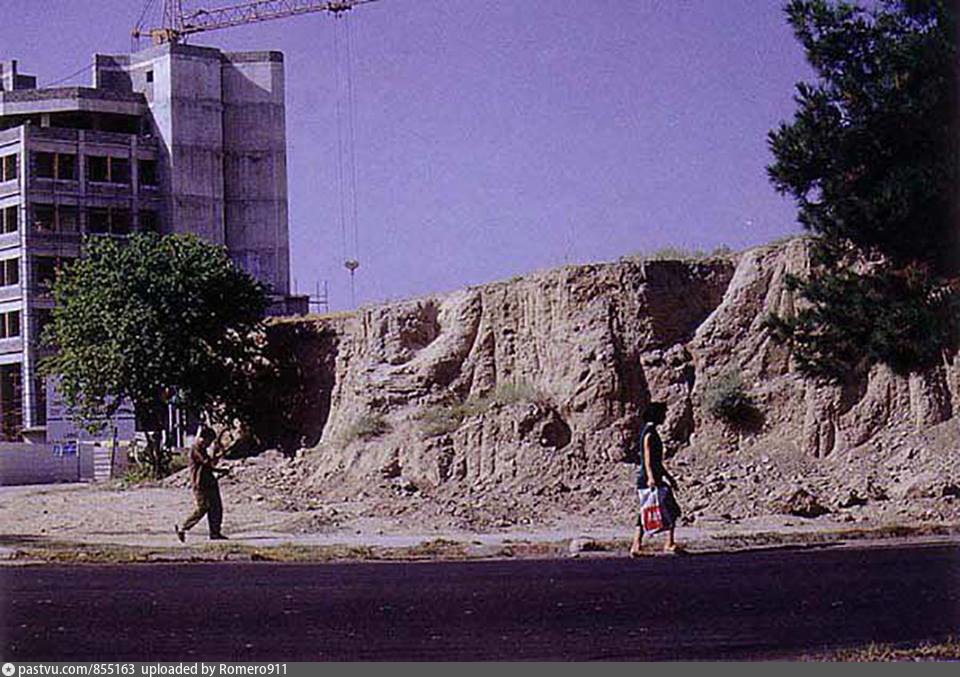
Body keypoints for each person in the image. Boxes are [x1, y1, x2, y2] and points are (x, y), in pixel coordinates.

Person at [630, 402, 682, 556]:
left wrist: (669, 477)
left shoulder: (650, 432)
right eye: (663, 414)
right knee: (671, 508)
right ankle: (668, 543)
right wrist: (651, 478)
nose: (665, 417)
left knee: (646, 510)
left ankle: (637, 545)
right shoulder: (649, 434)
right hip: (649, 479)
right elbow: (647, 459)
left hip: (653, 478)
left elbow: (657, 461)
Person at [175, 426, 230, 542]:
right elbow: (208, 463)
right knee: (203, 507)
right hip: (200, 484)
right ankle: (183, 527)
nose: (209, 444)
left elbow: (207, 467)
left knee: (216, 508)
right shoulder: (196, 449)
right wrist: (219, 455)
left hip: (210, 482)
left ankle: (215, 532)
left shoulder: (202, 449)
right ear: (203, 438)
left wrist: (221, 471)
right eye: (209, 441)